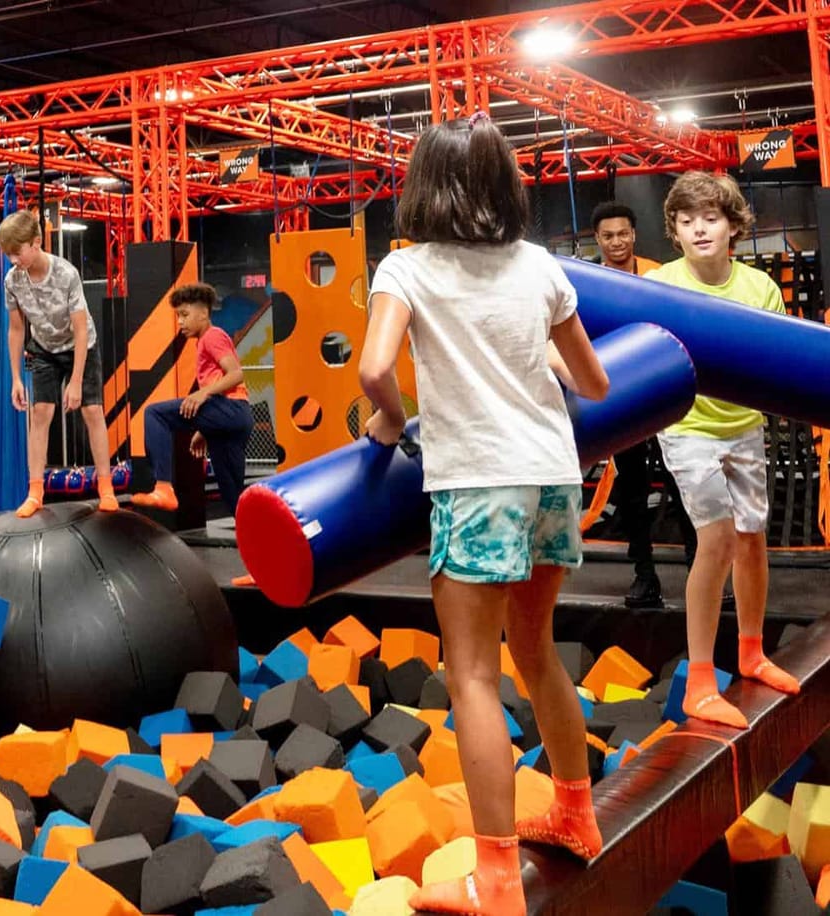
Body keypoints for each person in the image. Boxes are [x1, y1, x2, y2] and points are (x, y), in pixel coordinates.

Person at [361, 112, 609, 916]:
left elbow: (372, 370)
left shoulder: (407, 270)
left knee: (470, 673)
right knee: (536, 655)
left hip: (476, 487)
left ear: (423, 183)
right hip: (551, 477)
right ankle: (576, 816)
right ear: (505, 182)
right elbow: (596, 384)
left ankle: (496, 880)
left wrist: (394, 421)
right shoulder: (540, 266)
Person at [646, 171, 799, 729]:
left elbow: (778, 357)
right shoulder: (662, 282)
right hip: (687, 425)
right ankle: (702, 679)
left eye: (710, 218)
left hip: (743, 424)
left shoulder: (759, 287)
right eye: (687, 222)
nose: (699, 229)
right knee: (716, 539)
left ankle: (752, 652)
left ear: (734, 225)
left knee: (752, 540)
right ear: (675, 232)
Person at [591, 201, 698, 608]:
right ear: (598, 240)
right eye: (608, 236)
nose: (617, 241)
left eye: (623, 233)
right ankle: (644, 575)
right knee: (632, 491)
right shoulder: (591, 283)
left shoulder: (659, 274)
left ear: (633, 234)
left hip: (663, 393)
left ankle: (698, 575)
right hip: (620, 400)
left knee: (682, 483)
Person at [0, 210, 117, 518]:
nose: (13, 259)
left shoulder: (66, 274)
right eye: (7, 254)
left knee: (91, 410)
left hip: (81, 345)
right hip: (44, 348)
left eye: (17, 252)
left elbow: (79, 328)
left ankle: (106, 488)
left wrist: (76, 382)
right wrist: (16, 378)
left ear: (36, 243)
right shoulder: (12, 280)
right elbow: (16, 328)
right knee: (40, 413)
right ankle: (35, 491)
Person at [132, 283, 254, 516]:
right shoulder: (205, 341)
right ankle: (258, 540)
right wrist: (205, 428)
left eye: (185, 315)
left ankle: (164, 487)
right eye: (178, 316)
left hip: (231, 409)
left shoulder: (212, 336)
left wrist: (202, 393)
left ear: (204, 314)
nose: (180, 322)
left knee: (154, 414)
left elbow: (236, 374)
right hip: (236, 418)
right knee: (232, 494)